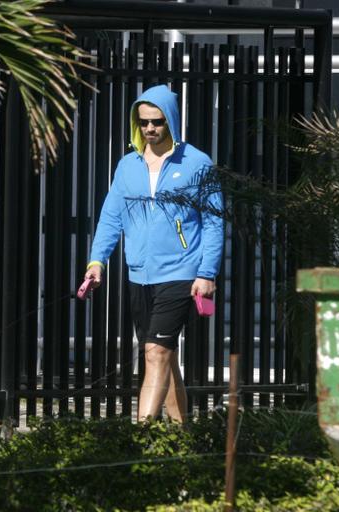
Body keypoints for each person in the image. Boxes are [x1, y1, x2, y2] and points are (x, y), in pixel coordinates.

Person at [85, 84, 223, 423]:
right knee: (165, 357)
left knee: (155, 351)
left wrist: (206, 272)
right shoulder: (127, 166)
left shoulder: (197, 163)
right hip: (139, 273)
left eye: (157, 121)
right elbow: (110, 216)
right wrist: (96, 260)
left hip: (181, 272)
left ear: (171, 121)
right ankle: (181, 439)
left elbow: (214, 221)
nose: (150, 129)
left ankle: (140, 434)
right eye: (144, 121)